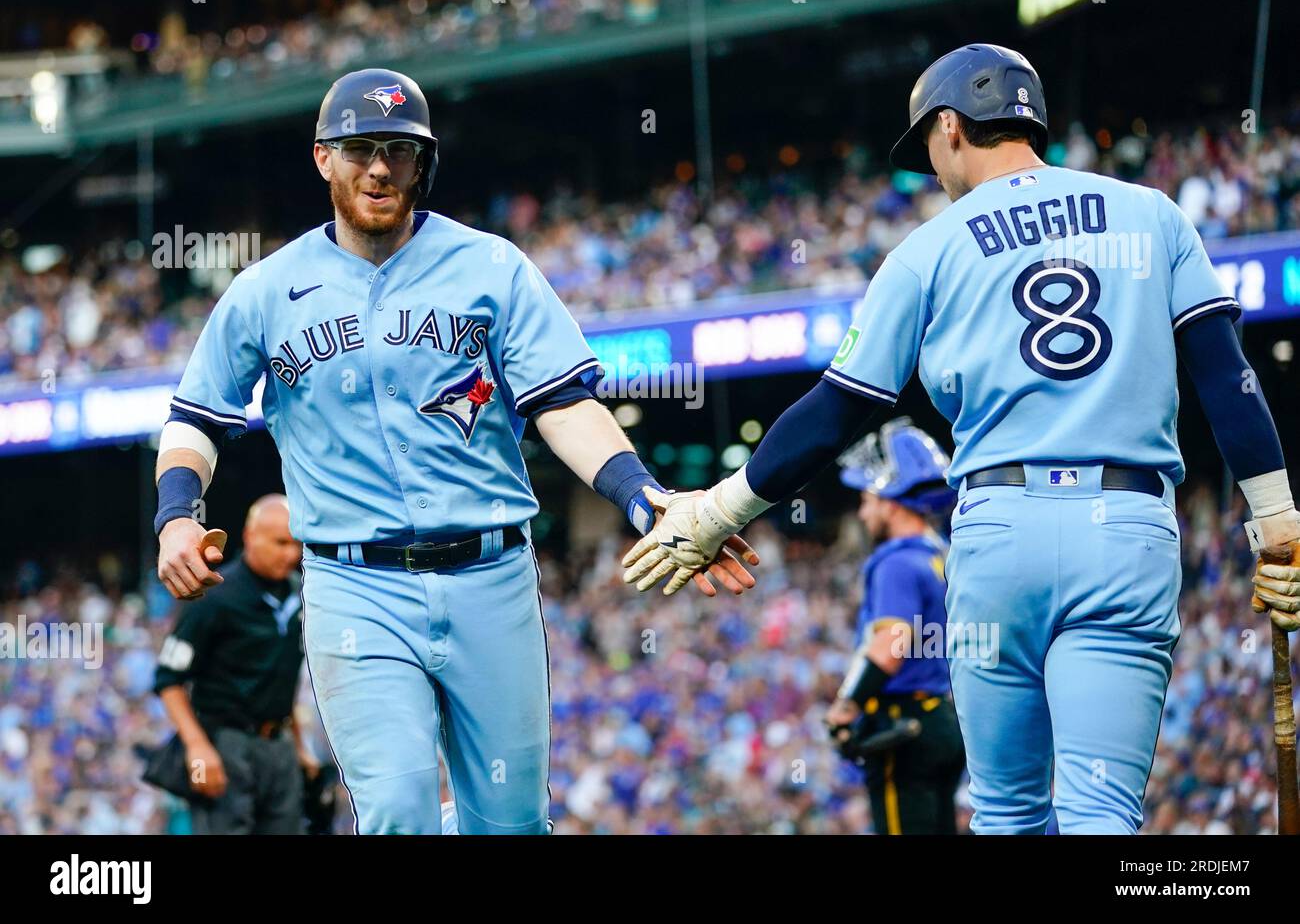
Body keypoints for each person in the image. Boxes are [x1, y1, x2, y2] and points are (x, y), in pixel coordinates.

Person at [623, 43, 1299, 833]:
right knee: (1102, 816)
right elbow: (1229, 379)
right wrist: (1277, 519)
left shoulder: (927, 249)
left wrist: (719, 511)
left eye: (928, 152)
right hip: (1125, 528)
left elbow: (837, 410)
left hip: (997, 532)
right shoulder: (1152, 212)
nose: (931, 171)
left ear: (950, 125)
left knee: (1008, 816)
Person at [152, 68, 757, 835]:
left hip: (491, 579)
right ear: (322, 158)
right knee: (400, 812)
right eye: (360, 148)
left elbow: (562, 404)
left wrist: (645, 497)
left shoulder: (491, 266)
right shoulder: (265, 291)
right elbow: (196, 419)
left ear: (422, 162)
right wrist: (178, 513)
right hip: (354, 586)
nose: (379, 168)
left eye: (400, 151)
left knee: (507, 822)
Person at [824, 419, 965, 834]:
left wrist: (846, 706)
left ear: (890, 500)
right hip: (940, 717)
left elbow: (892, 642)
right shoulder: (942, 552)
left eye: (868, 499)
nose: (863, 512)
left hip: (902, 727)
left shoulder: (896, 561)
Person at [154, 494, 316, 834]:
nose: (291, 553)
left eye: (297, 544)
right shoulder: (215, 595)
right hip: (225, 745)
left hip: (279, 744)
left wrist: (299, 747)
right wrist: (197, 747)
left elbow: (282, 680)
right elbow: (169, 679)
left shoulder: (299, 596)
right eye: (280, 542)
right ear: (250, 536)